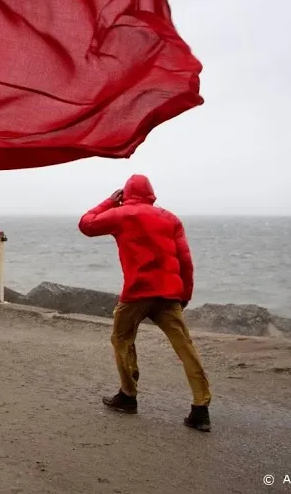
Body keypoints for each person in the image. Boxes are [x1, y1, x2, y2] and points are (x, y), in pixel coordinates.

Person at [78, 174, 211, 432]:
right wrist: (185, 295)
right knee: (185, 347)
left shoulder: (122, 215)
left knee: (122, 339)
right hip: (170, 293)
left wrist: (109, 202)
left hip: (137, 292)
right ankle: (201, 408)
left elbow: (86, 224)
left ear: (125, 194)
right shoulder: (170, 218)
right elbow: (185, 261)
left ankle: (128, 396)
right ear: (152, 194)